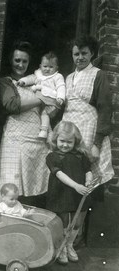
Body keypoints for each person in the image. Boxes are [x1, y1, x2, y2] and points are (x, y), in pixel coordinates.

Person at [62, 35, 114, 245]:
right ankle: (65, 235)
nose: (80, 57)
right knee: (70, 180)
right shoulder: (67, 78)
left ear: (92, 53)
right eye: (76, 54)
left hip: (89, 132)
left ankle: (77, 236)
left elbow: (105, 109)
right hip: (70, 134)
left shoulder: (98, 75)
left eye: (84, 53)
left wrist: (96, 143)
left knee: (86, 181)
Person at [0, 41, 50, 208]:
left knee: (33, 185)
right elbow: (12, 105)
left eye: (24, 61)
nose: (20, 64)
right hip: (14, 140)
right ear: (11, 60)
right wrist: (40, 98)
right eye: (17, 60)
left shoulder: (35, 82)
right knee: (12, 183)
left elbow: (46, 110)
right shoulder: (6, 82)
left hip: (35, 142)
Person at [46, 121, 93, 264]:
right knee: (64, 223)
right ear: (55, 139)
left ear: (75, 142)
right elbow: (59, 174)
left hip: (78, 193)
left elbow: (88, 170)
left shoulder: (81, 155)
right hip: (61, 192)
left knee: (77, 222)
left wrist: (88, 180)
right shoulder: (52, 156)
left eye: (69, 142)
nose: (65, 145)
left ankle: (69, 244)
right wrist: (75, 186)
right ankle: (61, 247)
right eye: (62, 141)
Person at [17, 51, 65, 139]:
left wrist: (60, 97)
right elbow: (30, 78)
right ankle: (49, 134)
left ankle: (43, 131)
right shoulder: (38, 75)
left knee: (44, 114)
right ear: (40, 66)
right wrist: (23, 81)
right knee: (40, 116)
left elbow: (61, 86)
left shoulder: (57, 77)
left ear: (56, 68)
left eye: (51, 67)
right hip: (42, 101)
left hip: (52, 101)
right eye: (45, 66)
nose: (47, 69)